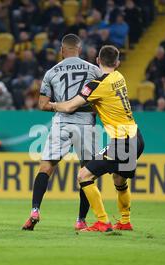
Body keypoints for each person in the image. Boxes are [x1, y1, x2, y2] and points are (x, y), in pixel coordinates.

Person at [46, 45, 145, 232]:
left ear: (98, 61)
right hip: (136, 137)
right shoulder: (119, 77)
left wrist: (51, 105)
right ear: (117, 63)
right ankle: (125, 221)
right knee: (119, 180)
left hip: (122, 142)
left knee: (83, 175)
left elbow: (68, 107)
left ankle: (102, 221)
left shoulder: (96, 85)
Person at [22, 34, 103, 231]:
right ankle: (81, 220)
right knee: (87, 174)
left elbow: (42, 104)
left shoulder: (51, 72)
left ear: (61, 50)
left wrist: (61, 106)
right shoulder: (94, 70)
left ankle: (34, 210)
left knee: (46, 168)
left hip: (61, 123)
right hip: (86, 124)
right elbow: (102, 101)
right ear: (79, 49)